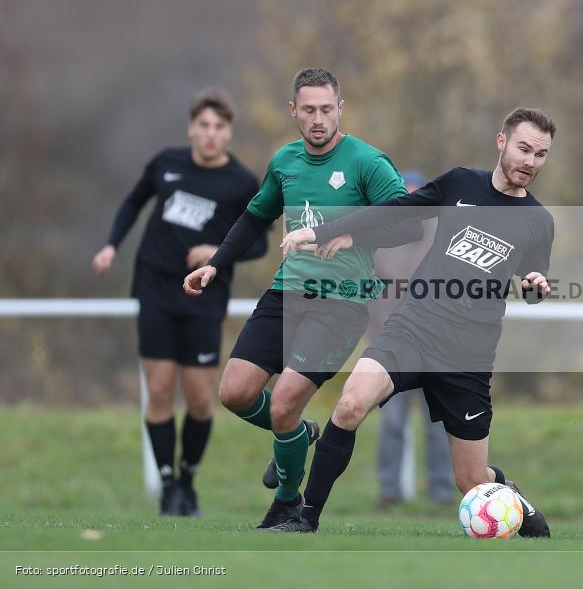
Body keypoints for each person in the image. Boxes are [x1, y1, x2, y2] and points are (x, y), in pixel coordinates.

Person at [272, 107, 557, 537]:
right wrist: (326, 231)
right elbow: (394, 210)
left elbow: (533, 285)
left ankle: (511, 495)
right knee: (350, 404)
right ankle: (304, 519)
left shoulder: (538, 222)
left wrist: (536, 287)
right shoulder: (460, 183)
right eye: (523, 149)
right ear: (502, 142)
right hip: (413, 328)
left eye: (540, 154)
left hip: (467, 353)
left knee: (471, 482)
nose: (529, 162)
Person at [182, 68, 421, 530]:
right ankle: (297, 435)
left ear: (340, 109)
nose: (318, 119)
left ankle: (288, 504)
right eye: (308, 110)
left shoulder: (367, 163)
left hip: (342, 303)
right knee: (234, 392)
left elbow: (409, 223)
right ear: (294, 111)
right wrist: (216, 262)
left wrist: (350, 234)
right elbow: (255, 218)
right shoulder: (285, 161)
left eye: (326, 110)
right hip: (286, 292)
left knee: (284, 401)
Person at [92, 89, 267, 516]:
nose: (210, 135)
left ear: (228, 134)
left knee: (201, 400)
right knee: (158, 389)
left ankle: (188, 481)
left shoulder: (242, 182)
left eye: (219, 128)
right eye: (204, 126)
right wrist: (111, 245)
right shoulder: (165, 164)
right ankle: (169, 488)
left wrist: (215, 250)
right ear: (192, 127)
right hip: (154, 288)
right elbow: (134, 202)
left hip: (204, 298)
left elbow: (259, 241)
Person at [371, 171, 454, 510]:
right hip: (390, 346)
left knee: (438, 423)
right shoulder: (379, 238)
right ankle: (389, 490)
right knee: (391, 422)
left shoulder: (445, 237)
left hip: (435, 346)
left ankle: (442, 491)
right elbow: (369, 292)